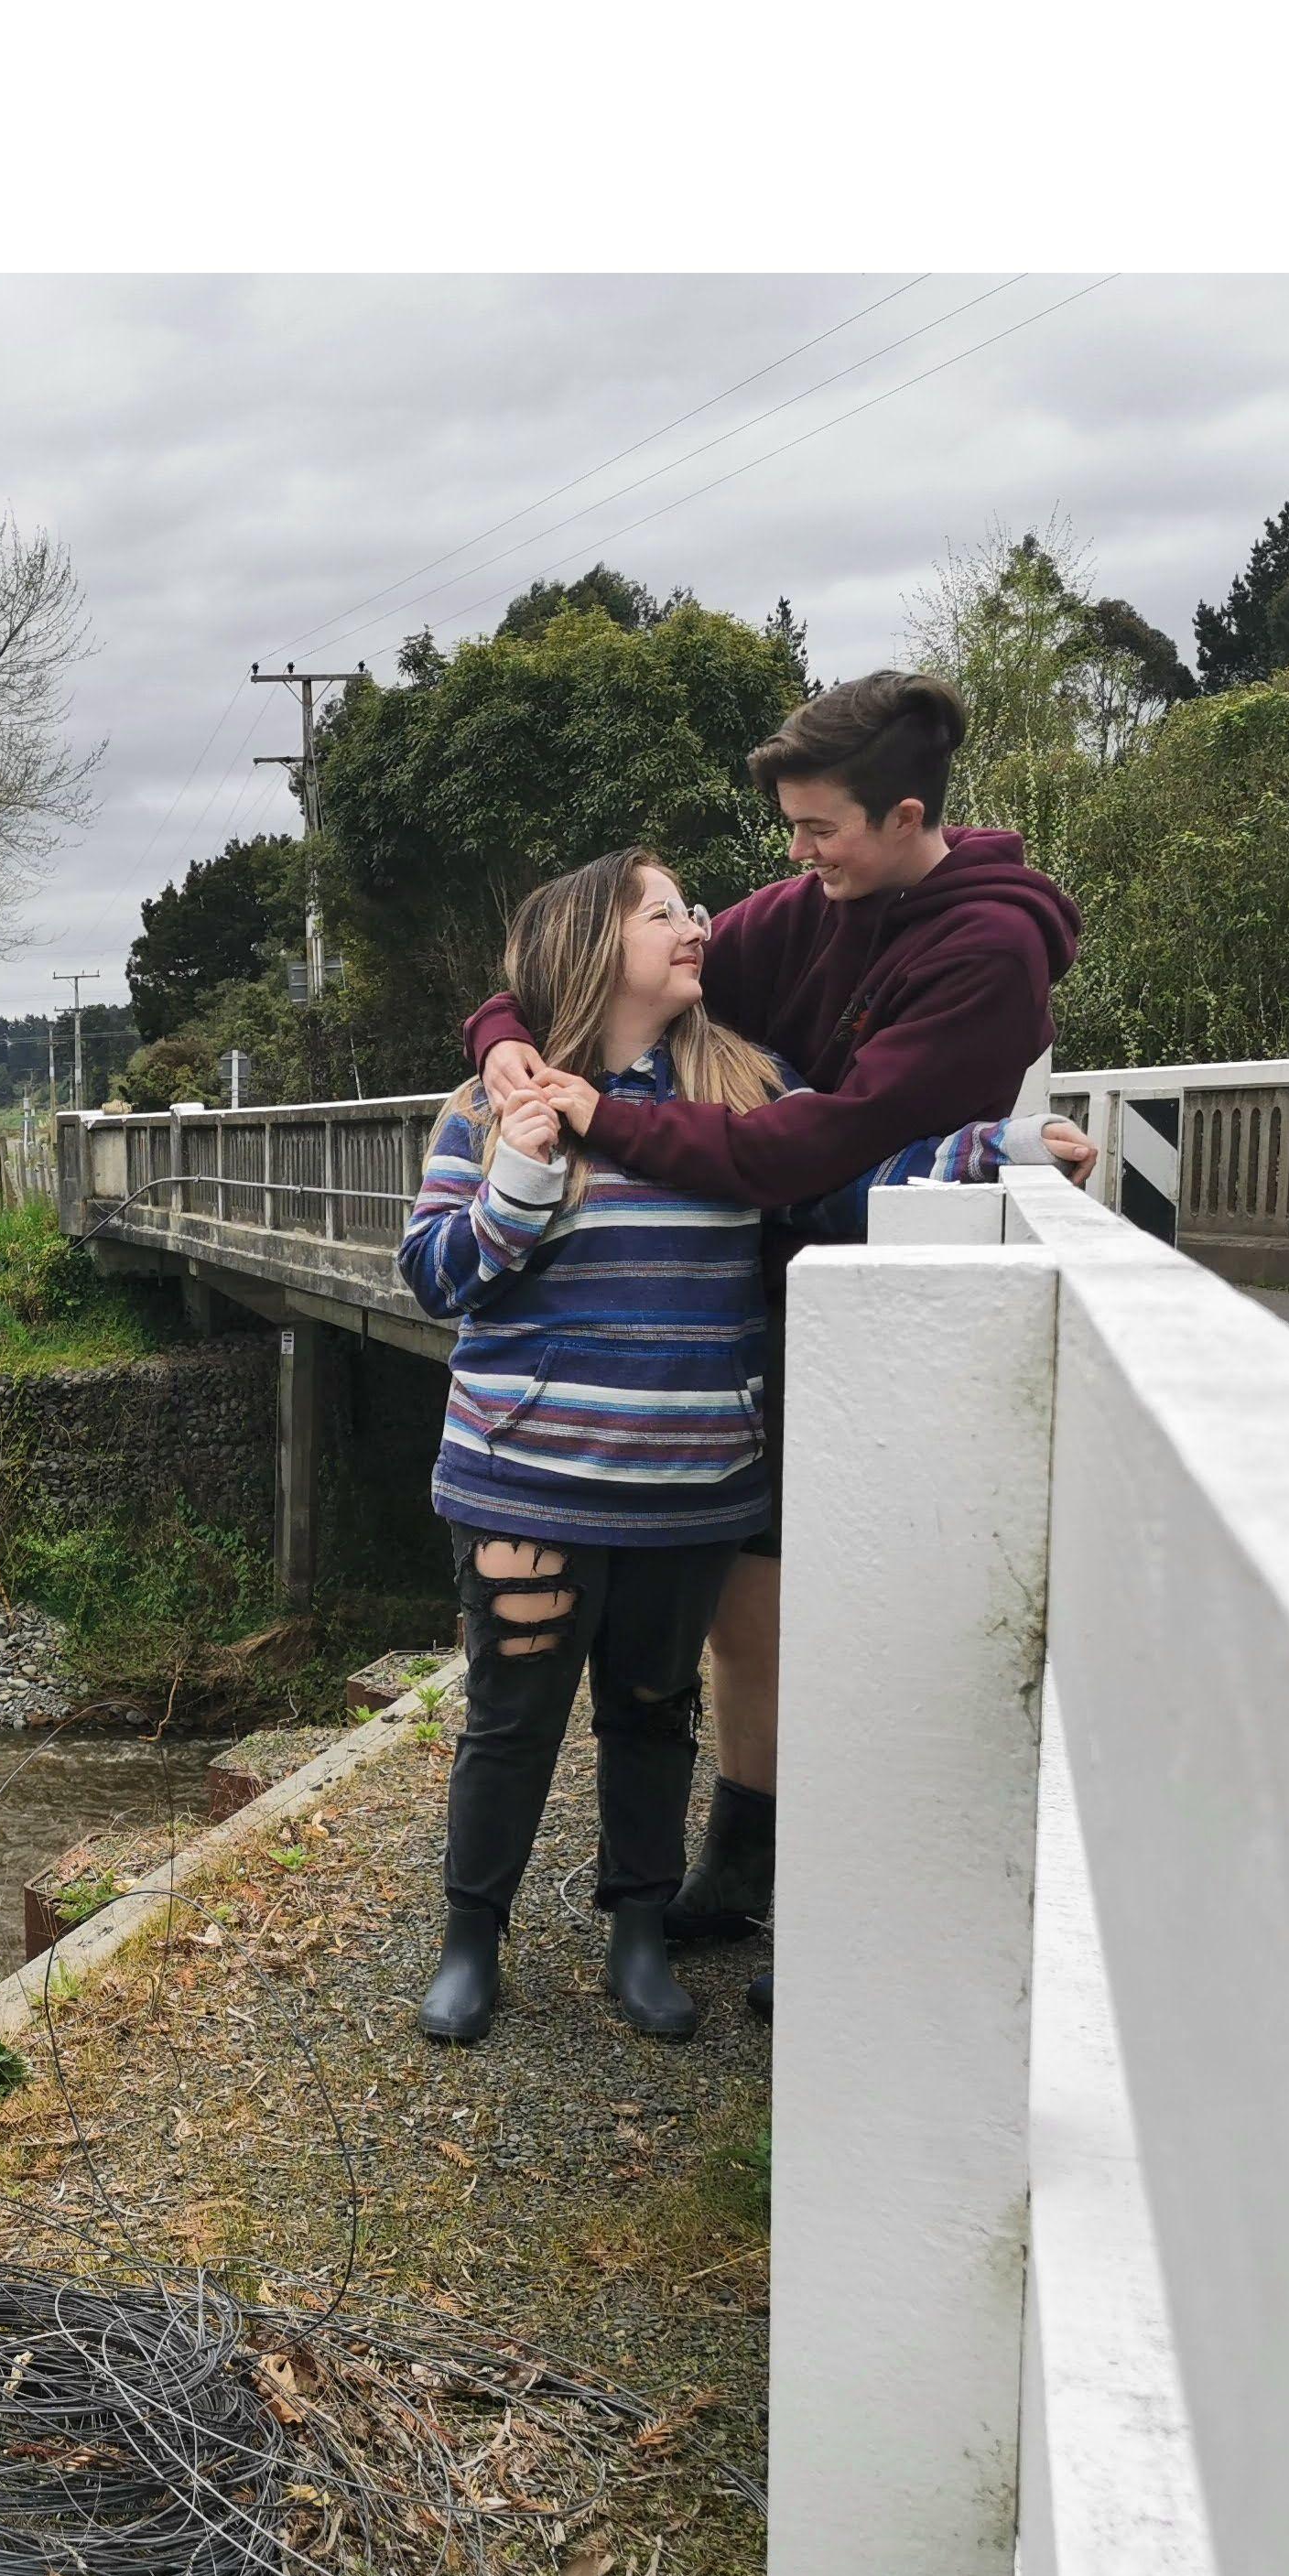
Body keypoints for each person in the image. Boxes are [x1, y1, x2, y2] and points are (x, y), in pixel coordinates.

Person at [461, 672, 1084, 2005]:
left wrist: (596, 1118)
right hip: (763, 1310)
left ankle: (871, 1914)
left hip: (912, 1313)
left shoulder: (987, 954)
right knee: (751, 1608)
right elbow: (581, 961)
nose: (793, 858)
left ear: (902, 812)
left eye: (817, 830)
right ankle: (744, 1866)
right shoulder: (817, 904)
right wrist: (507, 1037)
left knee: (891, 1613)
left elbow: (813, 1146)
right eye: (789, 831)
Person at [395, 846, 780, 2051]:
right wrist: (513, 1183)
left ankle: (639, 1933)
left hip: (688, 1483)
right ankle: (472, 1939)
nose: (691, 924)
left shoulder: (746, 1086)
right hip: (527, 1480)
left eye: (689, 906)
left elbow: (858, 1162)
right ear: (587, 948)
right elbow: (430, 1279)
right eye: (658, 911)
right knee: (512, 1717)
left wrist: (994, 1156)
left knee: (655, 1715)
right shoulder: (486, 1106)